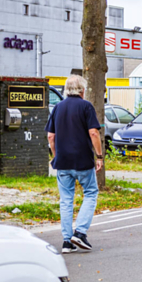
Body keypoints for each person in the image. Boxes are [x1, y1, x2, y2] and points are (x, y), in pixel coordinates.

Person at [46, 75, 104, 254]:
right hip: (83, 161)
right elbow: (93, 133)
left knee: (66, 200)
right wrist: (99, 156)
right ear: (82, 90)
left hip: (63, 162)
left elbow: (51, 136)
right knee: (91, 192)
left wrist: (57, 156)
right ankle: (80, 232)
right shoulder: (86, 106)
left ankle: (66, 241)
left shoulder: (57, 107)